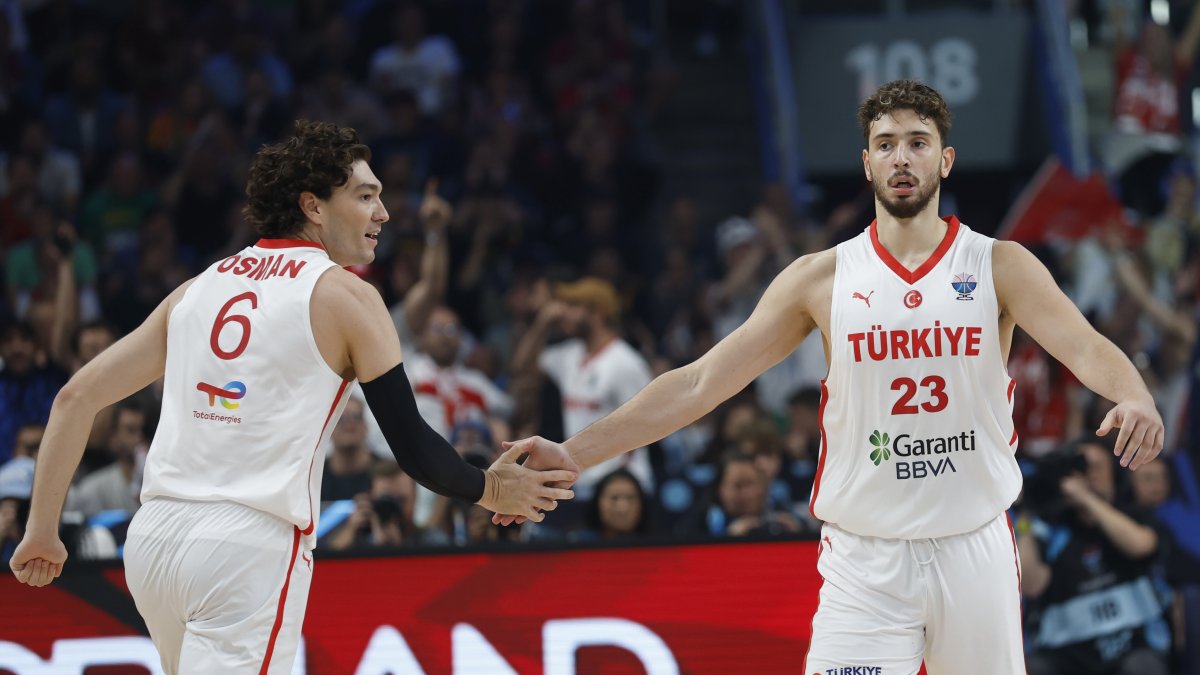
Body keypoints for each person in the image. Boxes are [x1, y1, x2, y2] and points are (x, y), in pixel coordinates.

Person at [499, 80, 1165, 674]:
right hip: (866, 558)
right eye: (886, 144)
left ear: (945, 159)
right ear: (867, 161)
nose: (902, 157)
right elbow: (701, 383)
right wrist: (574, 453)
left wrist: (1134, 392)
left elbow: (1085, 344)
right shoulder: (820, 278)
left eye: (918, 142)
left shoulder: (999, 264)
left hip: (975, 548)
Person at [8, 120, 577, 674]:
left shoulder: (198, 287)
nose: (383, 212)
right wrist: (492, 488)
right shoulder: (347, 296)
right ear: (313, 206)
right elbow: (414, 447)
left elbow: (74, 398)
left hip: (154, 541)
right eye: (365, 195)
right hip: (245, 547)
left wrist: (42, 529)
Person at [1018, 440, 1171, 675]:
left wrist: (1086, 498)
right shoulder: (1053, 528)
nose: (1089, 474)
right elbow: (1031, 585)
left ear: (1113, 472)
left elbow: (1141, 545)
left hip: (1132, 647)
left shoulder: (1131, 513)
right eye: (1081, 467)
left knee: (1142, 667)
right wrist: (1026, 512)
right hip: (1068, 654)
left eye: (1097, 466)